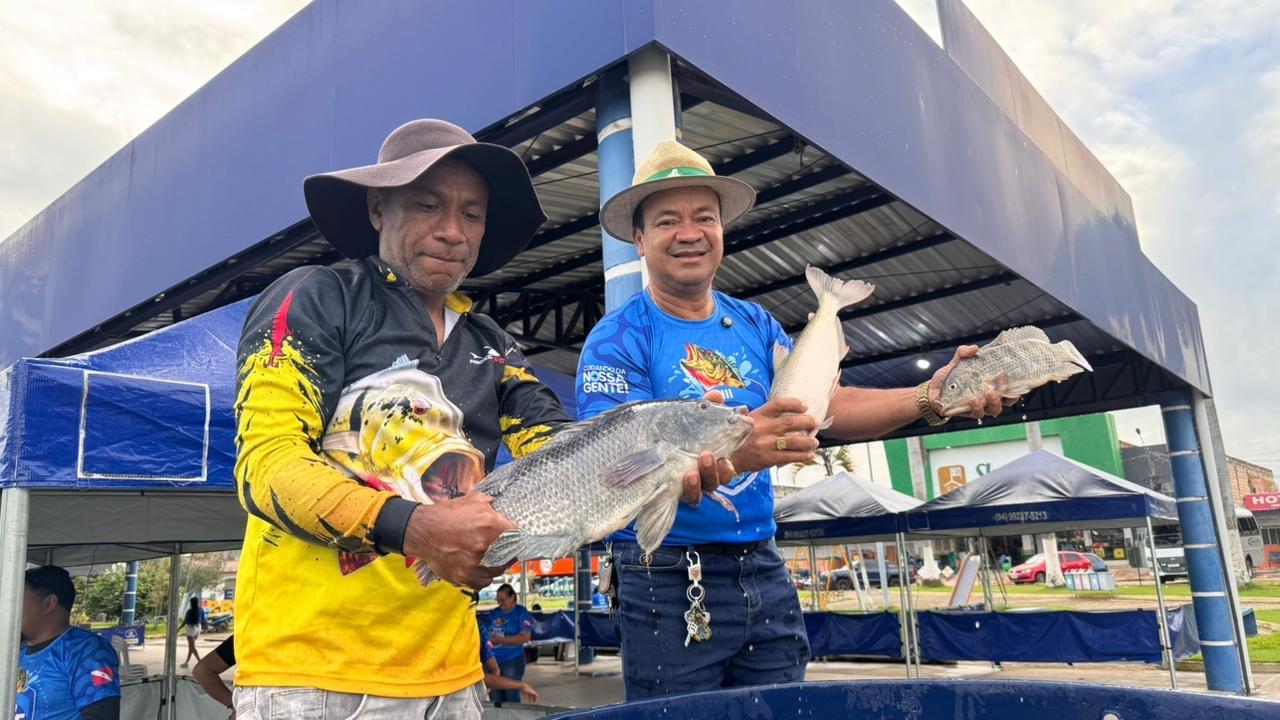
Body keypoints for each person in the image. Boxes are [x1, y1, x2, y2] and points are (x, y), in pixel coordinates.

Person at [576, 139, 1019, 699]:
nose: (689, 232)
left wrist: (929, 397)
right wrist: (740, 452)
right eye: (667, 221)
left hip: (763, 566)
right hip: (663, 575)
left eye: (704, 217)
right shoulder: (618, 339)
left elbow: (822, 409)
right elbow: (615, 470)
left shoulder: (755, 323)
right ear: (639, 239)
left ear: (721, 230)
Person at [230, 119, 579, 718]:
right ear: (377, 209)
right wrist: (414, 528)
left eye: (472, 214)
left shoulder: (494, 345)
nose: (452, 232)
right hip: (312, 675)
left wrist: (682, 448)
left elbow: (562, 455)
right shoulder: (318, 295)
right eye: (427, 204)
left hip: (452, 674)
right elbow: (267, 464)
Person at [16, 565, 120, 720]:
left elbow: (102, 715)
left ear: (48, 604)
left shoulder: (86, 651)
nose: (11, 607)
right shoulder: (19, 652)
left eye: (19, 599)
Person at [481, 584, 533, 705]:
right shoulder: (494, 613)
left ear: (512, 597)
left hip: (512, 660)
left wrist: (501, 640)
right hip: (492, 660)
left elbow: (524, 637)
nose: (500, 603)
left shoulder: (521, 613)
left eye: (503, 600)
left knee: (511, 695)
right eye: (498, 600)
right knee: (494, 696)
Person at [478, 622, 539, 703]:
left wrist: (484, 690)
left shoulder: (478, 628)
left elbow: (493, 671)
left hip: (471, 702)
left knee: (510, 697)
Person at [192, 635, 236, 719]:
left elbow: (202, 671)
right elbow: (202, 671)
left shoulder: (247, 635)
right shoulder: (247, 636)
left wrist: (236, 706)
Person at [180, 597, 203, 668]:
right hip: (198, 627)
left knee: (192, 647)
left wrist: (179, 628)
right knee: (191, 647)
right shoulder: (200, 610)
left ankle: (201, 662)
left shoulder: (189, 611)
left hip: (191, 629)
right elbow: (203, 619)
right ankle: (186, 662)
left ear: (191, 603)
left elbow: (185, 621)